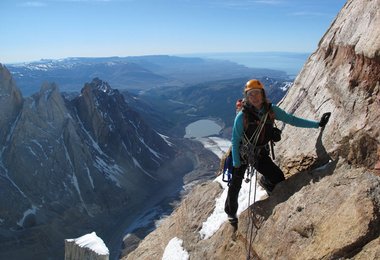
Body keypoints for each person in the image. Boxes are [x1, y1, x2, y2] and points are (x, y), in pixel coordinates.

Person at [225, 79, 330, 224]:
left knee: (278, 177)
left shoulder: (271, 111)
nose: (254, 97)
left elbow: (292, 120)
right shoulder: (242, 116)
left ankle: (266, 182)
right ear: (247, 97)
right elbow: (235, 140)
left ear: (262, 94)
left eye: (256, 93)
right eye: (250, 95)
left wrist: (317, 124)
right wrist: (236, 162)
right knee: (235, 184)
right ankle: (231, 213)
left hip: (259, 153)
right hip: (242, 153)